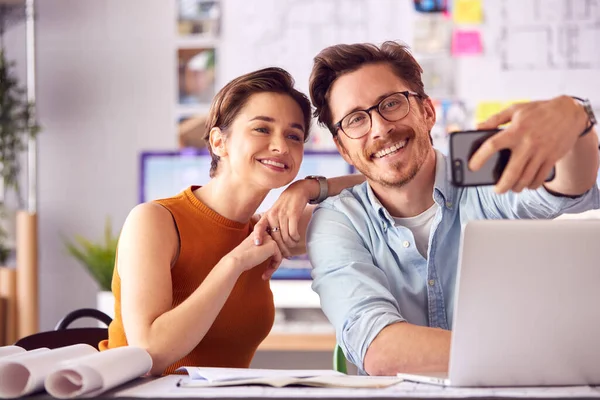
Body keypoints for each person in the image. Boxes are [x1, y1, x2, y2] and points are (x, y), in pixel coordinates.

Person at [304, 41, 599, 376]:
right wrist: (558, 354)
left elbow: (570, 185)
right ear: (343, 148)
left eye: (391, 104)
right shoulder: (338, 222)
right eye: (356, 119)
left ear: (427, 112)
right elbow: (381, 350)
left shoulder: (487, 182)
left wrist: (577, 121)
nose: (381, 128)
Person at [99, 67, 361, 376]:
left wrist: (309, 187)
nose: (281, 146)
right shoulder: (155, 221)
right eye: (262, 129)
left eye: (294, 135)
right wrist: (233, 264)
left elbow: (385, 190)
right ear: (218, 142)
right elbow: (151, 351)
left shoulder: (269, 229)